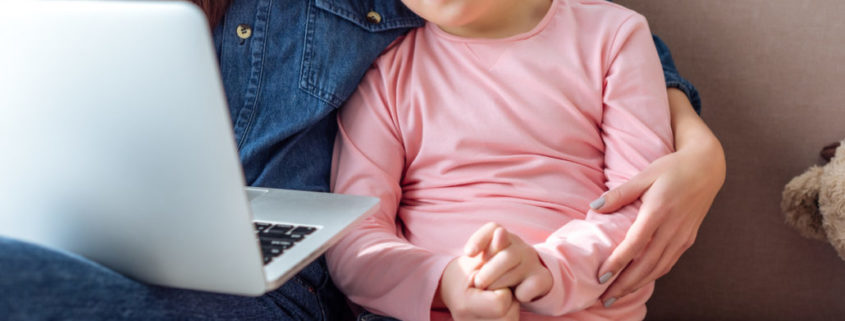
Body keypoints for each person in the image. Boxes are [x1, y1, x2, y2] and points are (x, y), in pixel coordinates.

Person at [0, 0, 723, 320]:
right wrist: (441, 281)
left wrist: (695, 138)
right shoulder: (397, 73)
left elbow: (560, 30)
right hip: (113, 246)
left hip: (282, 287)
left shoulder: (593, 35)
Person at [324, 0, 720, 320]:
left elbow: (639, 204)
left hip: (583, 306)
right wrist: (445, 282)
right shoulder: (383, 73)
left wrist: (545, 270)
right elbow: (352, 238)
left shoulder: (614, 37)